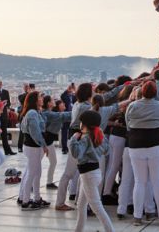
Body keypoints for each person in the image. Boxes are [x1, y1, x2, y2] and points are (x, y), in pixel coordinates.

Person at [125, 81, 159, 226]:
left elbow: (128, 123)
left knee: (139, 182)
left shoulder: (132, 106)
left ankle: (137, 217)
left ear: (142, 92)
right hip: (156, 144)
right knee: (157, 181)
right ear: (156, 92)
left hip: (136, 145)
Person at [69, 110, 114, 232]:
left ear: (84, 124)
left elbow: (76, 153)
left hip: (88, 175)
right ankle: (78, 230)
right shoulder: (99, 135)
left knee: (96, 207)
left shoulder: (85, 138)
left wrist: (73, 140)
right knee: (81, 204)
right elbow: (106, 150)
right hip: (94, 173)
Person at [55, 83, 94, 211]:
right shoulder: (87, 107)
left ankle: (73, 201)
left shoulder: (77, 104)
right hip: (79, 138)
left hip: (74, 137)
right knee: (71, 173)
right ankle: (62, 203)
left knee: (74, 173)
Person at [19, 91, 49, 211]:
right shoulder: (32, 113)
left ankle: (37, 198)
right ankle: (26, 201)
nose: (42, 99)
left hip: (33, 146)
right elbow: (35, 132)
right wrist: (44, 145)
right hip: (33, 147)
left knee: (36, 173)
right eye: (40, 97)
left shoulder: (35, 112)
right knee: (31, 174)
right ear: (35, 100)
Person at [41, 95, 71, 190]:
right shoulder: (50, 114)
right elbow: (64, 116)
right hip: (44, 142)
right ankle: (32, 184)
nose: (64, 104)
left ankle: (49, 182)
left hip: (49, 142)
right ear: (48, 103)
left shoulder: (52, 113)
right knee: (37, 164)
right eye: (52, 100)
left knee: (53, 162)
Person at [0, 80, 16, 155]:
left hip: (3, 115)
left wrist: (4, 104)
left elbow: (9, 103)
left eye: (0, 83)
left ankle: (7, 150)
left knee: (4, 133)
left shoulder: (6, 92)